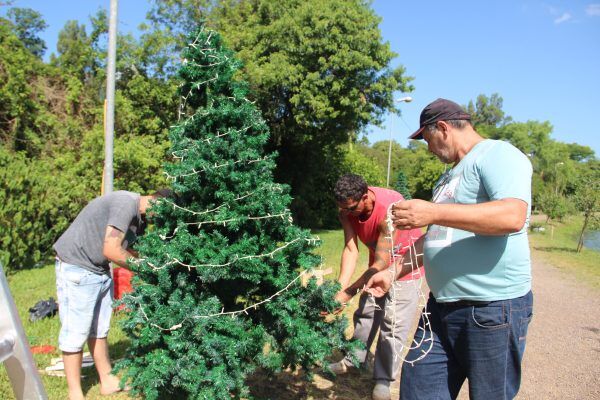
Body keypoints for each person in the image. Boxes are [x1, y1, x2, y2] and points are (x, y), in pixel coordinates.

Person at [366, 98, 534, 400]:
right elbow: (437, 235)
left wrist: (434, 212)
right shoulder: (448, 177)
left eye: (428, 140)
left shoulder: (498, 155)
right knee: (418, 391)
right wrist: (393, 271)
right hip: (440, 310)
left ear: (442, 128)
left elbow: (512, 216)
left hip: (490, 309)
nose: (429, 149)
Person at [53, 189, 168, 400]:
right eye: (165, 213)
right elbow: (112, 250)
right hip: (77, 266)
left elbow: (131, 250)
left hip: (99, 269)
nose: (162, 220)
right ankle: (75, 393)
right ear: (156, 200)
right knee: (75, 332)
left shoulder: (140, 220)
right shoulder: (125, 204)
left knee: (99, 329)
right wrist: (147, 270)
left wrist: (159, 265)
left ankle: (107, 381)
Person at [328, 174, 424, 400]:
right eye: (343, 209)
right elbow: (351, 250)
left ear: (365, 197)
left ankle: (383, 380)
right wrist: (340, 289)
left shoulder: (390, 209)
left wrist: (350, 292)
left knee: (393, 324)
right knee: (367, 313)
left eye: (351, 209)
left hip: (405, 266)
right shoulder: (346, 209)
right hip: (378, 265)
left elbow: (382, 262)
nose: (347, 213)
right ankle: (353, 358)